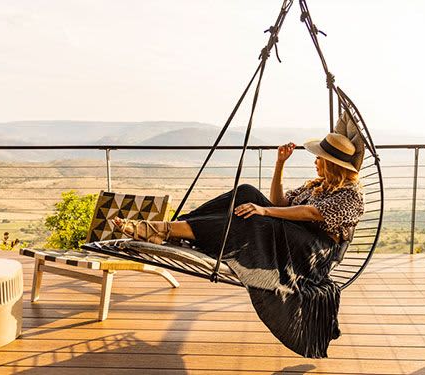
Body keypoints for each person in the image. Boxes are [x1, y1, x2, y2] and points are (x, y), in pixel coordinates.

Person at [113, 132, 365, 358]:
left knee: (255, 218)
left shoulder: (351, 194)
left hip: (313, 253)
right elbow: (279, 202)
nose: (315, 161)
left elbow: (310, 214)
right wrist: (279, 165)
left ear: (332, 164)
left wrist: (265, 212)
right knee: (246, 192)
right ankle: (175, 228)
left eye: (319, 158)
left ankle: (162, 230)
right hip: (293, 237)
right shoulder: (317, 185)